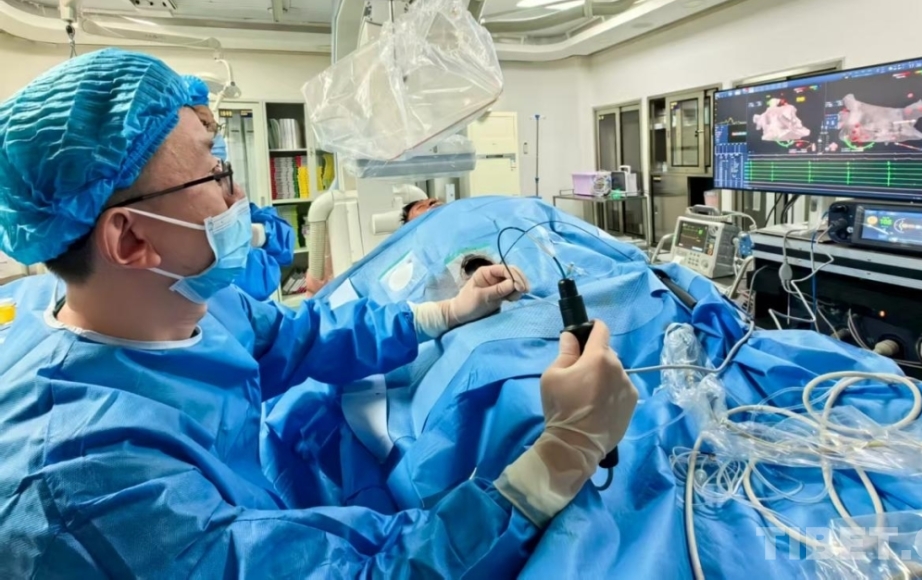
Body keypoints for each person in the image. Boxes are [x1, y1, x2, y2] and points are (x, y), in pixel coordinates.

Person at [0, 49, 638, 578]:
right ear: (132, 239)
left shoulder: (190, 302)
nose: (239, 196)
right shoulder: (94, 491)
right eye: (216, 174)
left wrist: (447, 311)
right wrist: (562, 455)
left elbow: (305, 336)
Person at [187, 77, 295, 300]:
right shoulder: (180, 207)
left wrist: (258, 233)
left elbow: (284, 239)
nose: (215, 135)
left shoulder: (225, 187)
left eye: (215, 127)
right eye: (205, 124)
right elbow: (256, 282)